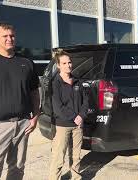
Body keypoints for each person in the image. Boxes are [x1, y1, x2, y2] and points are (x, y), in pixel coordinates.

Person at [0, 22, 40, 180]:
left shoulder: (26, 63)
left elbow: (34, 92)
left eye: (12, 35)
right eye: (4, 36)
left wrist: (35, 117)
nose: (9, 39)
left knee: (17, 168)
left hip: (22, 125)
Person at [49, 50, 88, 180]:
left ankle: (76, 177)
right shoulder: (55, 83)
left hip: (78, 124)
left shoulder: (77, 81)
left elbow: (85, 101)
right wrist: (74, 117)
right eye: (64, 63)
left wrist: (81, 116)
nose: (68, 65)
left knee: (76, 156)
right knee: (58, 157)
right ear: (58, 65)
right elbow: (58, 107)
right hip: (62, 125)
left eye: (69, 62)